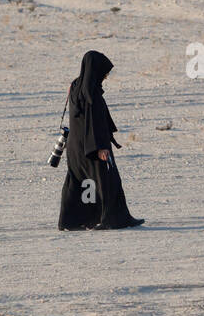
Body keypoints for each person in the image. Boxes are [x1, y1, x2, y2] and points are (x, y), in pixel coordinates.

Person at [57, 50, 145, 230]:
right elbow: (94, 123)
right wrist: (101, 148)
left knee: (79, 182)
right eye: (104, 72)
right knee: (108, 181)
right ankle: (114, 219)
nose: (106, 76)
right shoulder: (92, 94)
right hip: (93, 146)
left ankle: (71, 221)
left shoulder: (75, 86)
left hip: (75, 147)